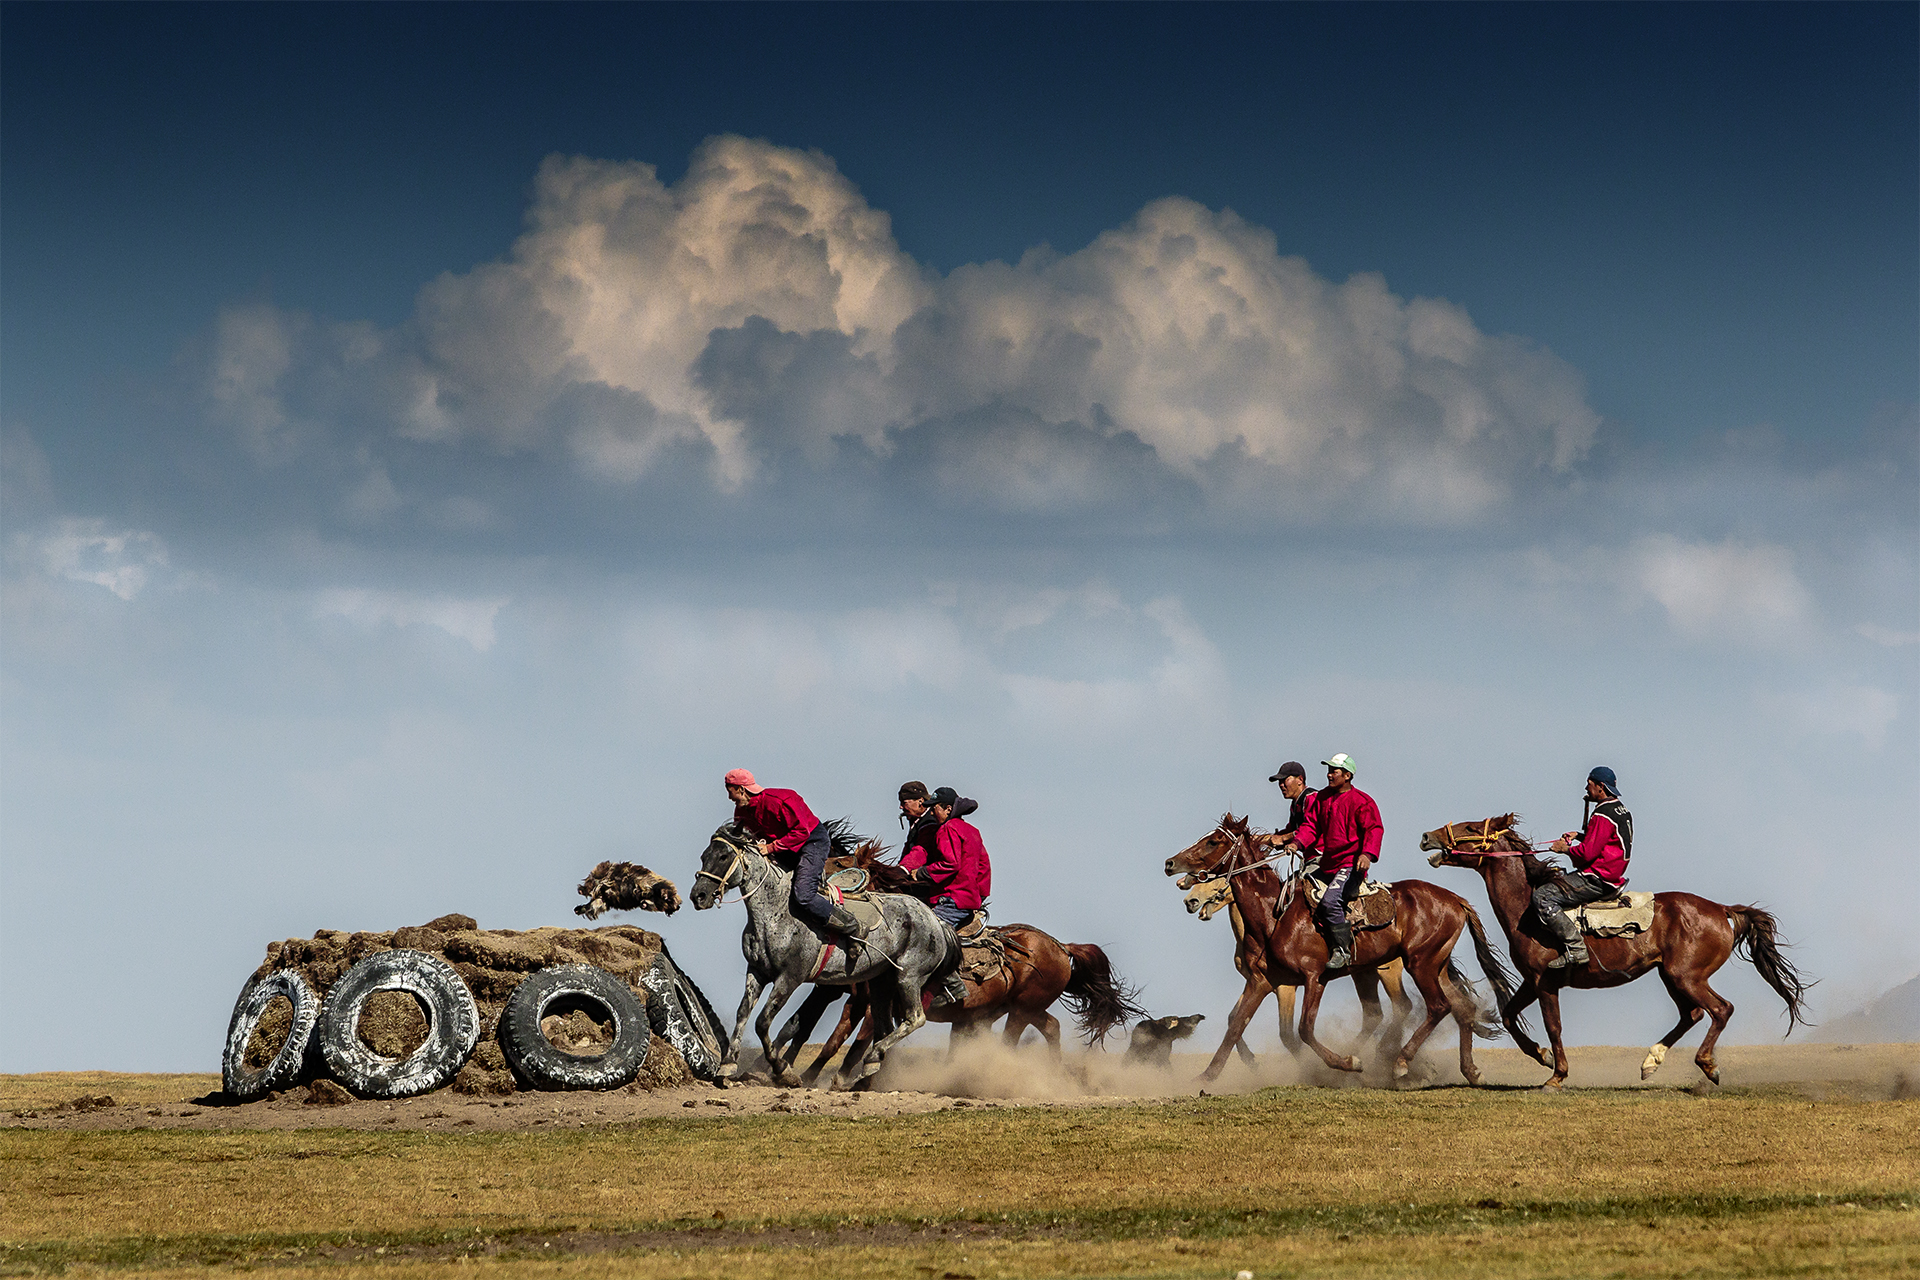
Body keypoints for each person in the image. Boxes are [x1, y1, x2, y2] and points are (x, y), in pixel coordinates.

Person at [723, 768, 868, 943]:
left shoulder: (780, 800)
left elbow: (801, 832)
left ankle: (853, 927)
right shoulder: (741, 812)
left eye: (730, 791)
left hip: (811, 843)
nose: (729, 797)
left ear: (740, 789)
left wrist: (770, 847)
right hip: (784, 850)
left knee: (804, 895)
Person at [1288, 752, 1383, 970]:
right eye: (1329, 771)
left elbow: (1374, 829)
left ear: (1347, 775)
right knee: (1297, 892)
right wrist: (1297, 843)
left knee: (1330, 901)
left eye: (1334, 771)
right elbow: (1311, 826)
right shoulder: (1322, 798)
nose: (1329, 775)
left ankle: (1342, 950)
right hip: (1327, 865)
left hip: (1350, 865)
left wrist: (1367, 854)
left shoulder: (1362, 801)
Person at [1538, 767, 1633, 969]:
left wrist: (1564, 849)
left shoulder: (1603, 813)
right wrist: (1580, 836)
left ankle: (1576, 948)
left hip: (1597, 878)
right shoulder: (1620, 809)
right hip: (1611, 874)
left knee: (1542, 896)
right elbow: (1607, 841)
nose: (1585, 788)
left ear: (1600, 787)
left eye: (1589, 784)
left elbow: (1587, 854)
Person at [1260, 760, 1316, 851]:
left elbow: (1310, 827)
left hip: (1324, 855)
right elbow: (1291, 830)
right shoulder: (1296, 803)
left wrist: (1283, 839)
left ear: (1300, 780)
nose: (1281, 785)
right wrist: (1262, 839)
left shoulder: (1311, 798)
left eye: (1285, 780)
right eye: (1280, 781)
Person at [897, 781, 942, 874]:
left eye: (904, 802)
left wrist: (903, 869)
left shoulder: (930, 822)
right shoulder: (917, 820)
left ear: (920, 801)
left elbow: (922, 850)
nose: (901, 807)